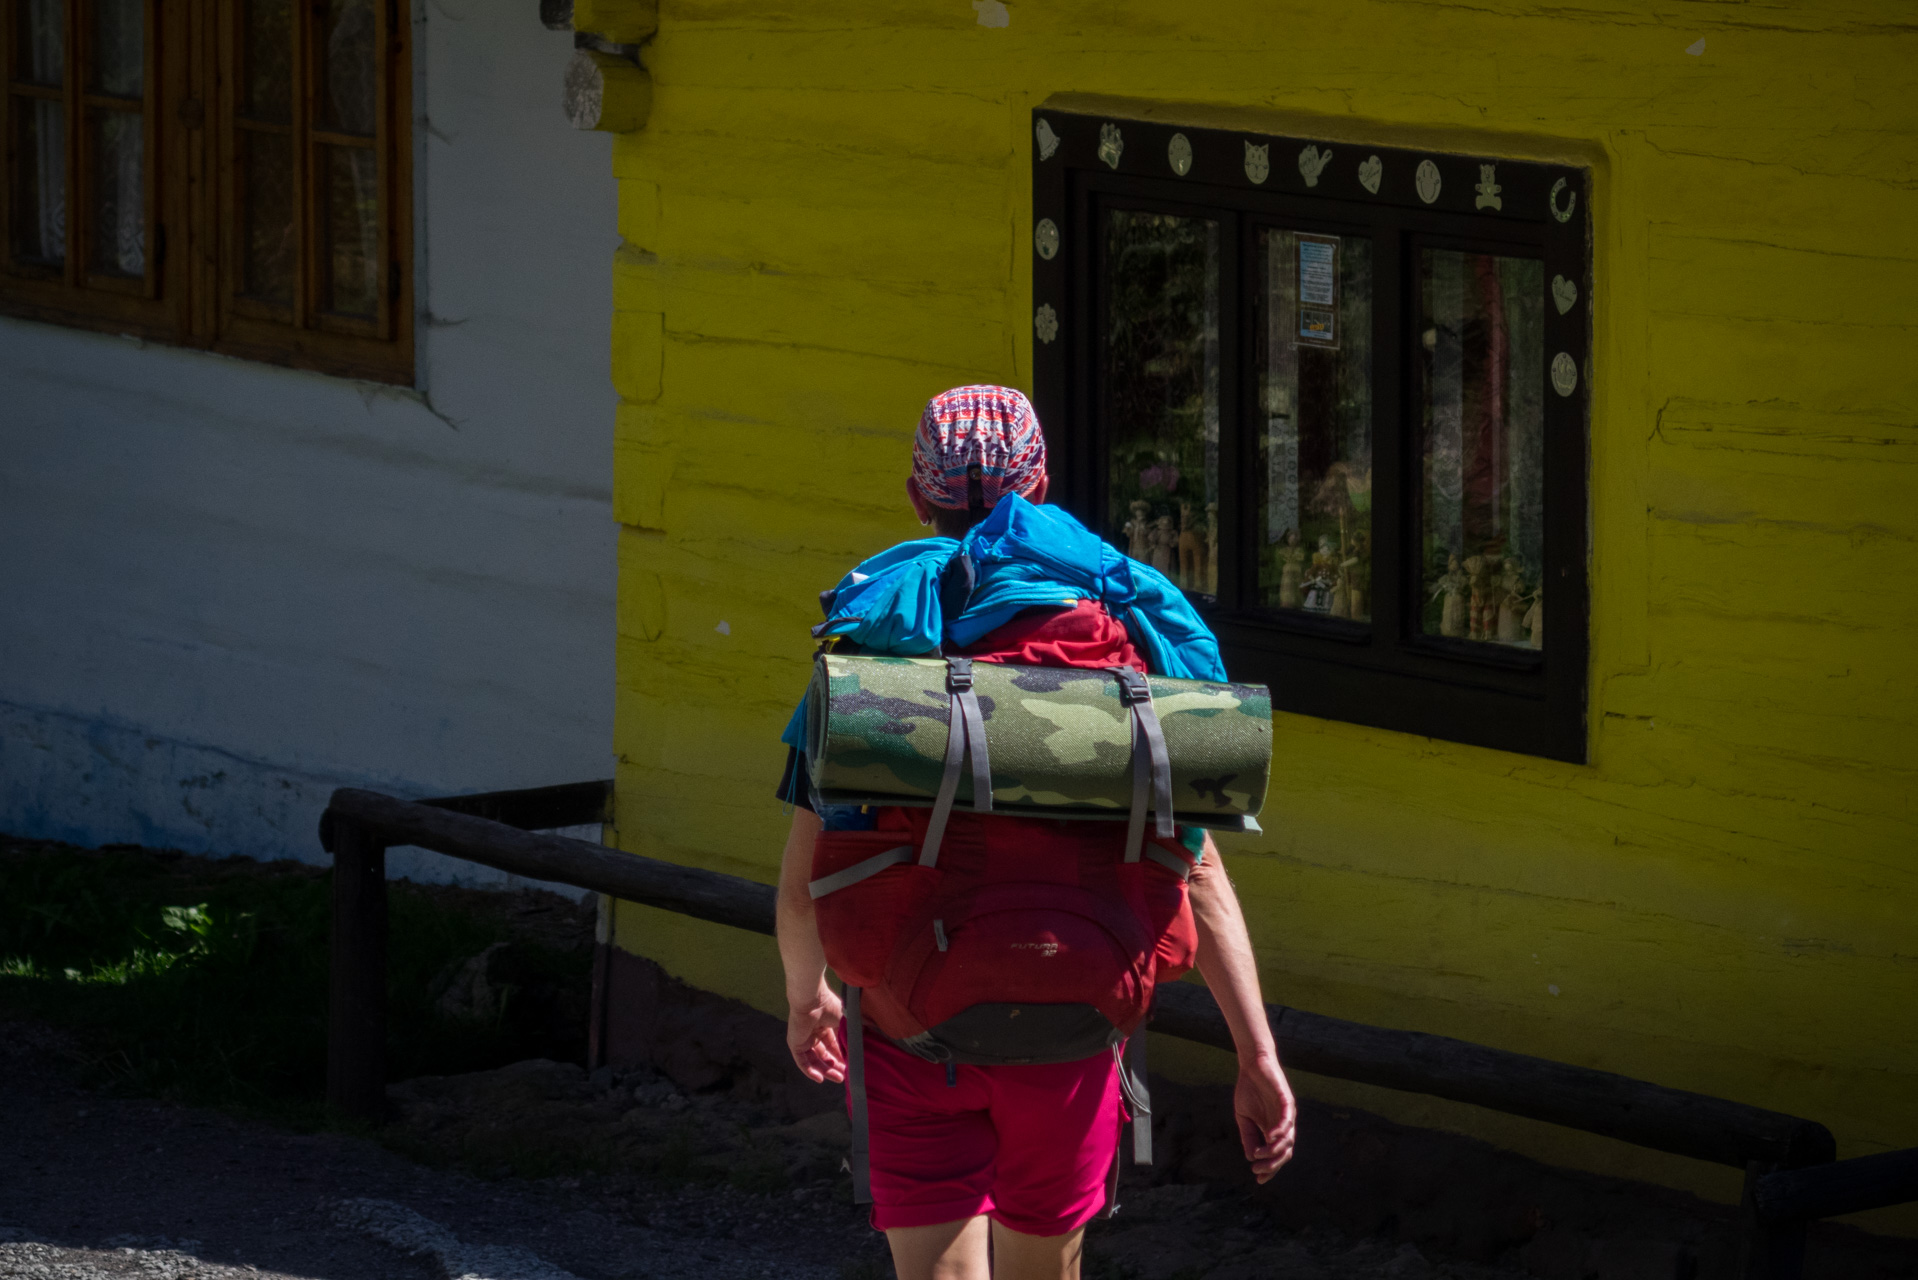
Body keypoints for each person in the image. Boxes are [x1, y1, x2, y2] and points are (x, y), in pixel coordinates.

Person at [774, 386, 1296, 1280]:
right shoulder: (1123, 644)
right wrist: (1257, 1052)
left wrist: (806, 996)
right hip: (1078, 1022)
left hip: (909, 1022)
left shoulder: (875, 643)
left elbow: (803, 880)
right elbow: (1197, 874)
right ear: (1041, 487)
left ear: (916, 496)